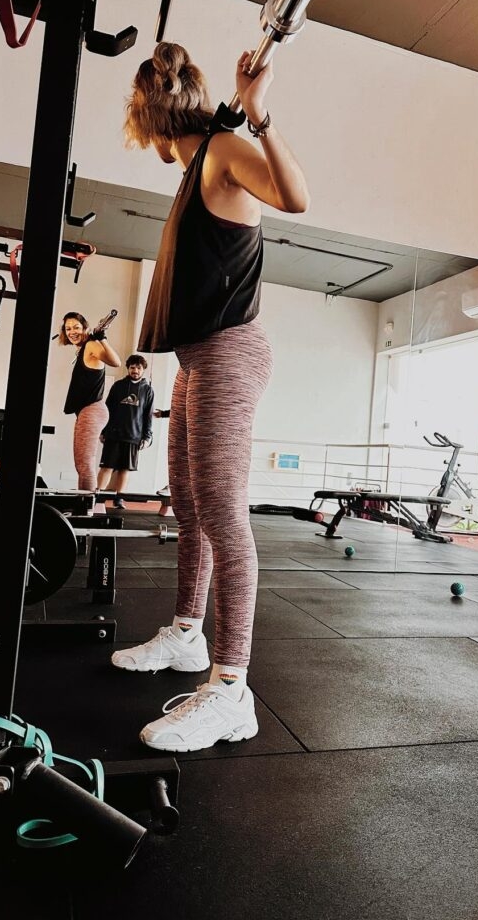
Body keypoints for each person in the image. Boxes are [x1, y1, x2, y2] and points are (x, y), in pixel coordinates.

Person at [112, 42, 309, 752]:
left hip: (230, 351)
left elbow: (296, 198)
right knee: (186, 503)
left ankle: (231, 689)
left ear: (149, 116)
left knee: (223, 514)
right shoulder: (197, 162)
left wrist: (259, 115)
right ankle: (188, 636)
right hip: (198, 359)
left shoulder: (224, 148)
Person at [60, 312, 121, 495]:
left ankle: (86, 509)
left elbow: (116, 362)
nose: (72, 332)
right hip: (88, 411)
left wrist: (103, 339)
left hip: (92, 410)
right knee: (81, 463)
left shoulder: (91, 345)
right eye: (68, 328)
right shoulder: (83, 348)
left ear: (85, 328)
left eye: (76, 327)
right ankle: (84, 505)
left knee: (85, 463)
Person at [97, 354, 155, 509]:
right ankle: (97, 497)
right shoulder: (118, 386)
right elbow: (107, 409)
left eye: (138, 368)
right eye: (132, 367)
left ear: (143, 370)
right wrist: (103, 430)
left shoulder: (148, 391)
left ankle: (119, 499)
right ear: (128, 368)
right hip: (113, 434)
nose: (135, 370)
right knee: (106, 467)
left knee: (125, 469)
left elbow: (148, 416)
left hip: (134, 437)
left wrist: (147, 437)